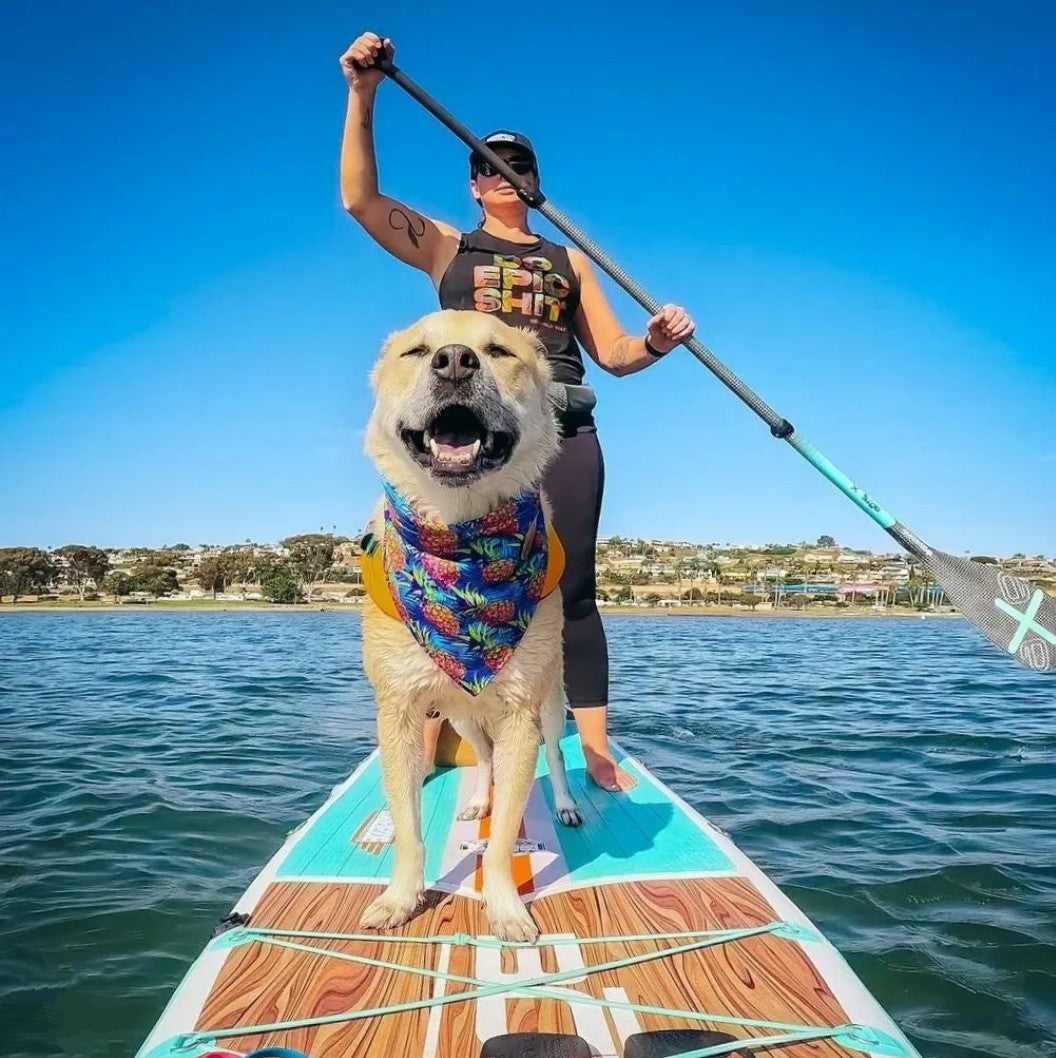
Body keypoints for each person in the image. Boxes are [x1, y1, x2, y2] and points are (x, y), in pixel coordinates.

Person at [339, 32, 695, 792]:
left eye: (518, 163)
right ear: (472, 182)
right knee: (429, 583)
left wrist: (657, 342)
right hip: (456, 435)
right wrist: (362, 93)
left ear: (534, 180)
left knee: (568, 587)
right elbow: (360, 201)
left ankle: (589, 749)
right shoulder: (448, 247)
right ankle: (434, 740)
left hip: (558, 427)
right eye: (486, 163)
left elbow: (616, 353)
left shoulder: (569, 260)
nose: (501, 171)